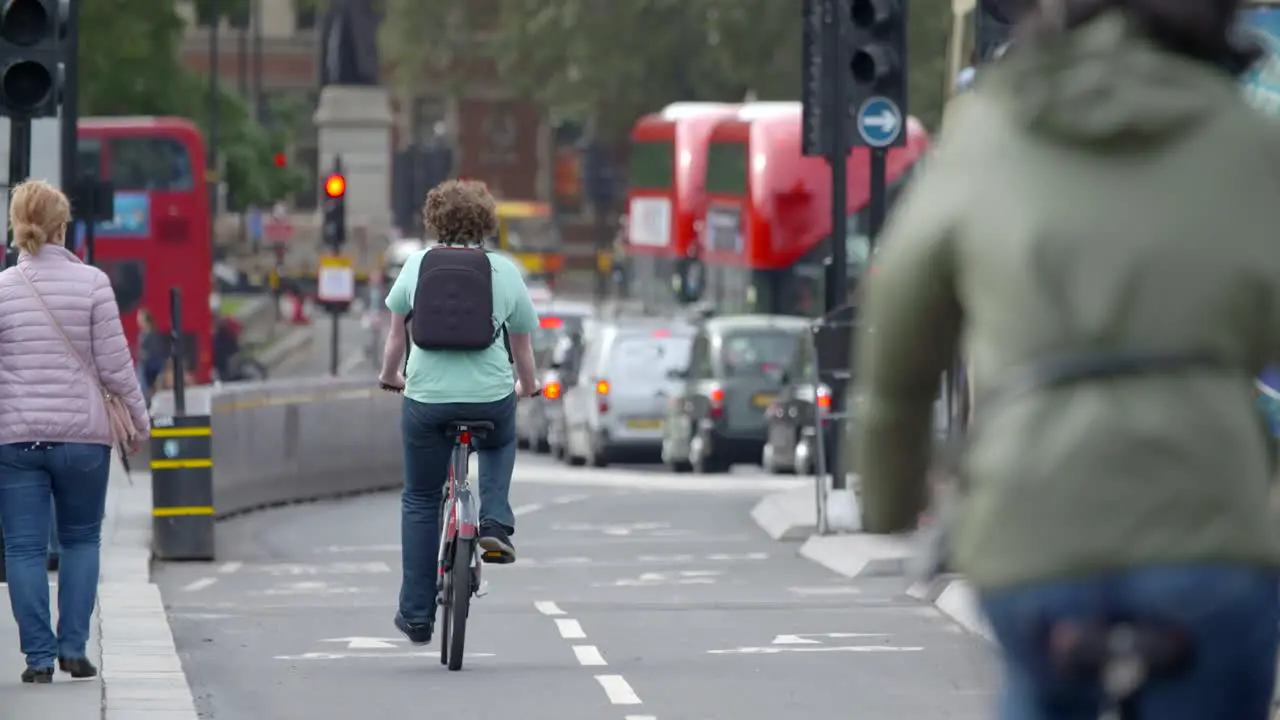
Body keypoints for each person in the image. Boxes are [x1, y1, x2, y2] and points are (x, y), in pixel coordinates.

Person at [850, 1, 1280, 718]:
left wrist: (888, 500)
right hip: (1208, 534)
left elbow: (897, 342)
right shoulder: (1246, 141)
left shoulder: (990, 130)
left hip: (1033, 532)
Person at [378, 179, 541, 646]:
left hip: (426, 399)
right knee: (501, 437)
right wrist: (527, 386)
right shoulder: (503, 271)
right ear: (485, 224)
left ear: (435, 222)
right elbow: (522, 348)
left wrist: (392, 376)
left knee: (422, 499)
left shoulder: (416, 265)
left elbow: (395, 338)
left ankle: (416, 615)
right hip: (489, 396)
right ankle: (493, 521)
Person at [0, 180, 150, 683]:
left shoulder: (2, 290)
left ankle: (37, 660)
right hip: (83, 441)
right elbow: (116, 366)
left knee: (23, 549)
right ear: (63, 227)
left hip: (17, 440)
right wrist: (139, 420)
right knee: (81, 541)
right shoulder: (93, 283)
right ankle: (74, 650)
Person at [136, 309, 166, 399]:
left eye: (140, 318)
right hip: (146, 365)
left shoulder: (152, 335)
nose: (138, 320)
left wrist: (144, 354)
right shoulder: (142, 334)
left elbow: (155, 351)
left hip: (151, 365)